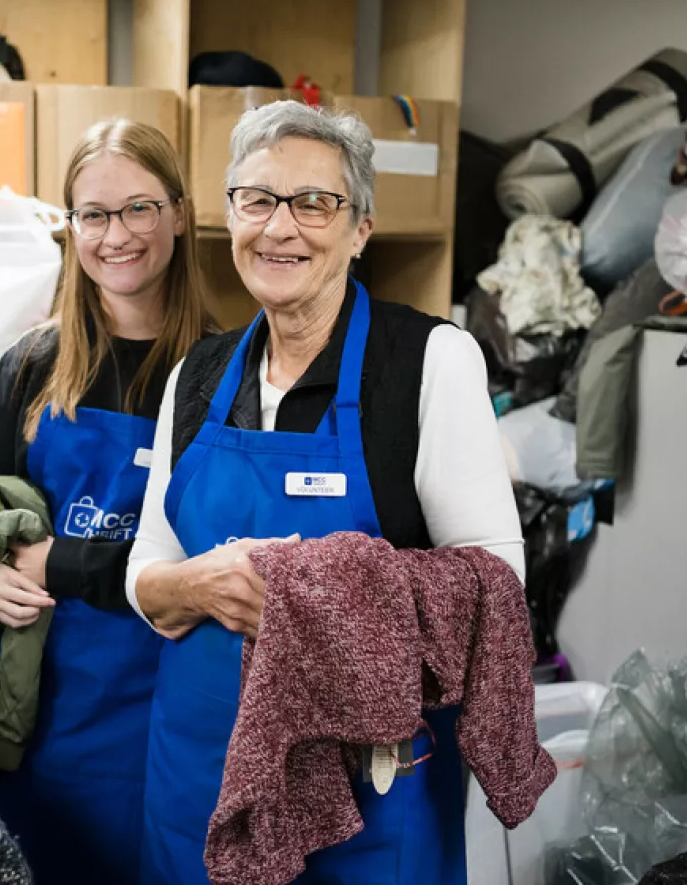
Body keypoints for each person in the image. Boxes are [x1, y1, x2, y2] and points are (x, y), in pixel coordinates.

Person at [126, 100, 526, 884]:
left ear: (360, 229)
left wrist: (313, 597)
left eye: (314, 203)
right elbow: (146, 567)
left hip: (364, 810)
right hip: (197, 782)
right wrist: (199, 584)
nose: (281, 228)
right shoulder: (197, 373)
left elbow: (494, 591)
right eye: (258, 199)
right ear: (230, 215)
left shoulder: (430, 361)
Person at [0, 118, 211, 884]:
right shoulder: (32, 364)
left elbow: (214, 561)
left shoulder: (221, 375)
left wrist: (59, 560)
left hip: (158, 714)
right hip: (31, 717)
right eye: (92, 214)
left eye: (137, 208)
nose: (115, 235)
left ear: (179, 215)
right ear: (71, 228)